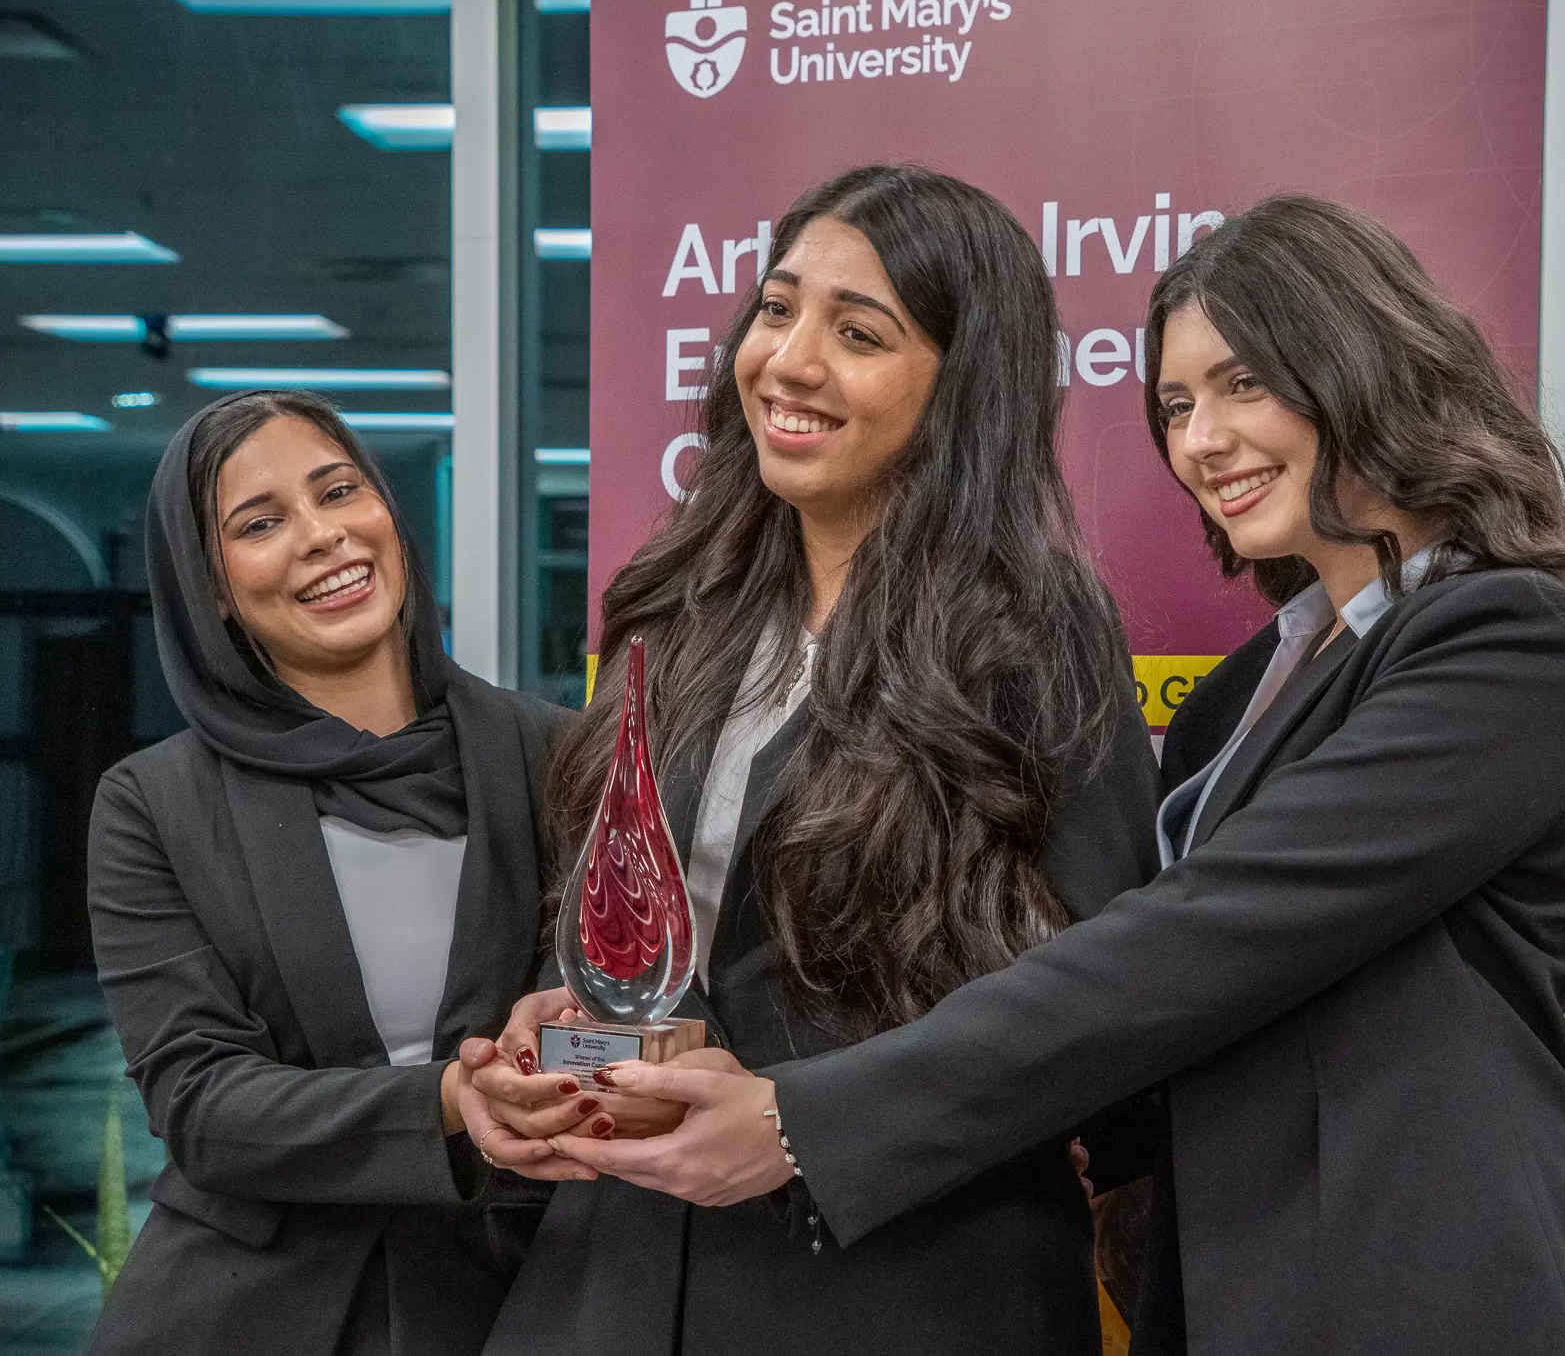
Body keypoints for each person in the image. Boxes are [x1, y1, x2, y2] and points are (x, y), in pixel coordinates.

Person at [525, 195, 1565, 1355]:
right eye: (1173, 402)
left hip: (1427, 1273)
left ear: (1369, 364)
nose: (1200, 440)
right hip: (1226, 1275)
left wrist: (803, 1121)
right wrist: (601, 1050)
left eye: (1244, 383)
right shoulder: (1232, 700)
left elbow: (1196, 943)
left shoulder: (1508, 641)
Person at [462, 164, 1161, 1356]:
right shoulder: (679, 602)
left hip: (901, 1282)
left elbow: (1093, 1007)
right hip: (618, 1277)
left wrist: (795, 1118)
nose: (786, 360)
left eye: (858, 333)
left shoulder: (1031, 629)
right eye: (776, 309)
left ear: (959, 386)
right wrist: (561, 1029)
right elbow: (635, 912)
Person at [86, 390, 570, 1356]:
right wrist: (447, 1098)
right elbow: (200, 1101)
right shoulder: (156, 803)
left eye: (338, 490)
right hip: (251, 1308)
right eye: (260, 523)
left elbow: (603, 1009)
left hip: (524, 1294)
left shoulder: (556, 755)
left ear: (386, 509)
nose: (321, 536)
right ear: (212, 585)